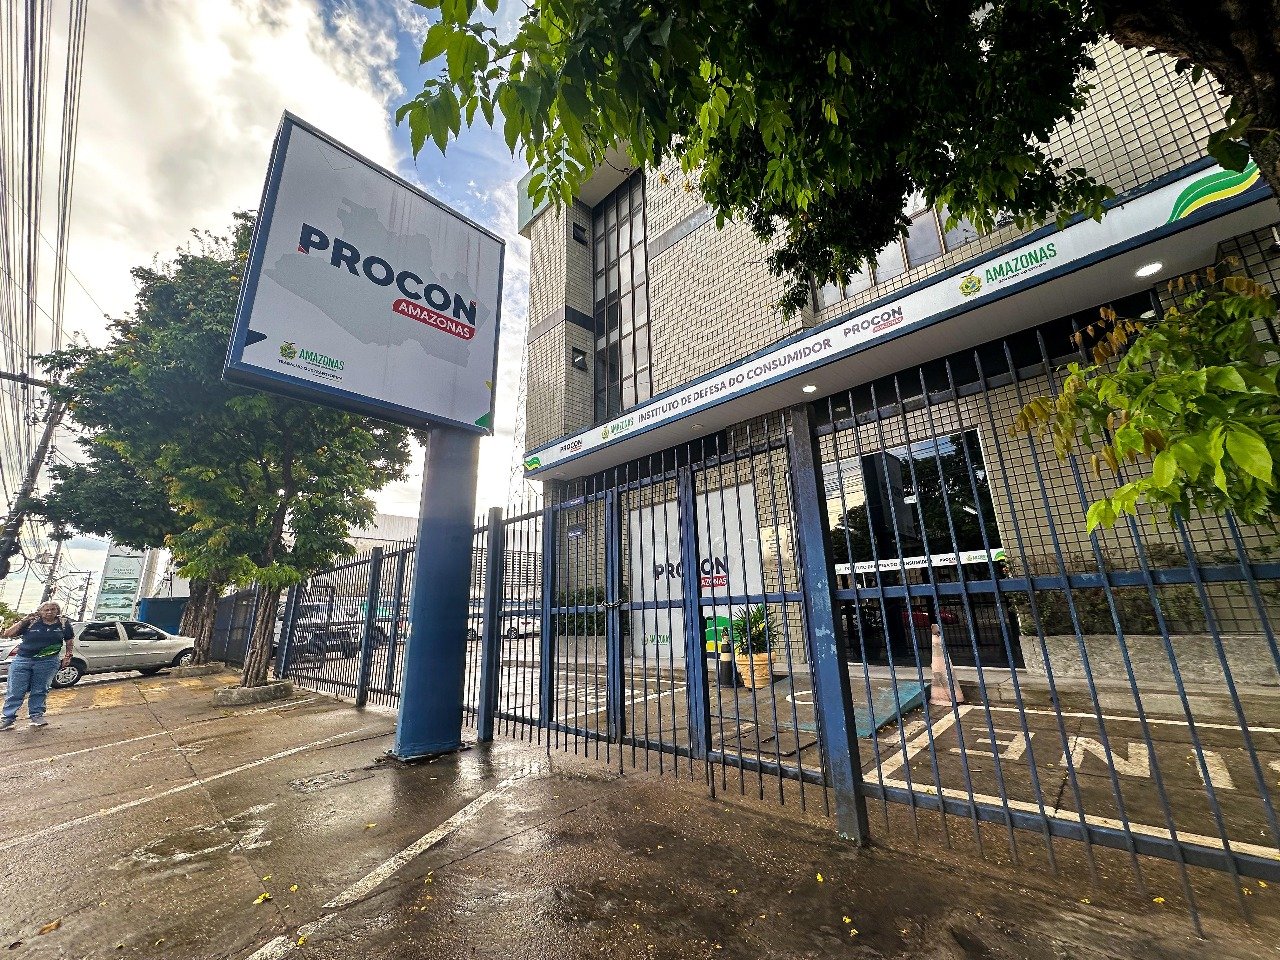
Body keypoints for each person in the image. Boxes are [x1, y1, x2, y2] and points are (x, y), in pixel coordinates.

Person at [2, 601, 76, 730]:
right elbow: (8, 634)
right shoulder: (31, 622)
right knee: (15, 690)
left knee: (40, 689)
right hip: (23, 660)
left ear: (57, 611)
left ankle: (36, 715)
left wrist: (68, 655)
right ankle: (8, 718)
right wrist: (24, 620)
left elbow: (69, 640)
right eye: (46, 610)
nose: (49, 612)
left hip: (48, 661)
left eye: (53, 609)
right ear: (40, 611)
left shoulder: (63, 624)